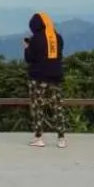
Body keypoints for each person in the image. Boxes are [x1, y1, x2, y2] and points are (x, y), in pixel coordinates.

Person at [24, 12, 66, 149]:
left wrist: (26, 48)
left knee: (37, 107)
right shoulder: (58, 38)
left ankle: (39, 137)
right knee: (57, 107)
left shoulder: (36, 39)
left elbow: (29, 58)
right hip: (56, 77)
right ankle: (61, 138)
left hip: (38, 78)